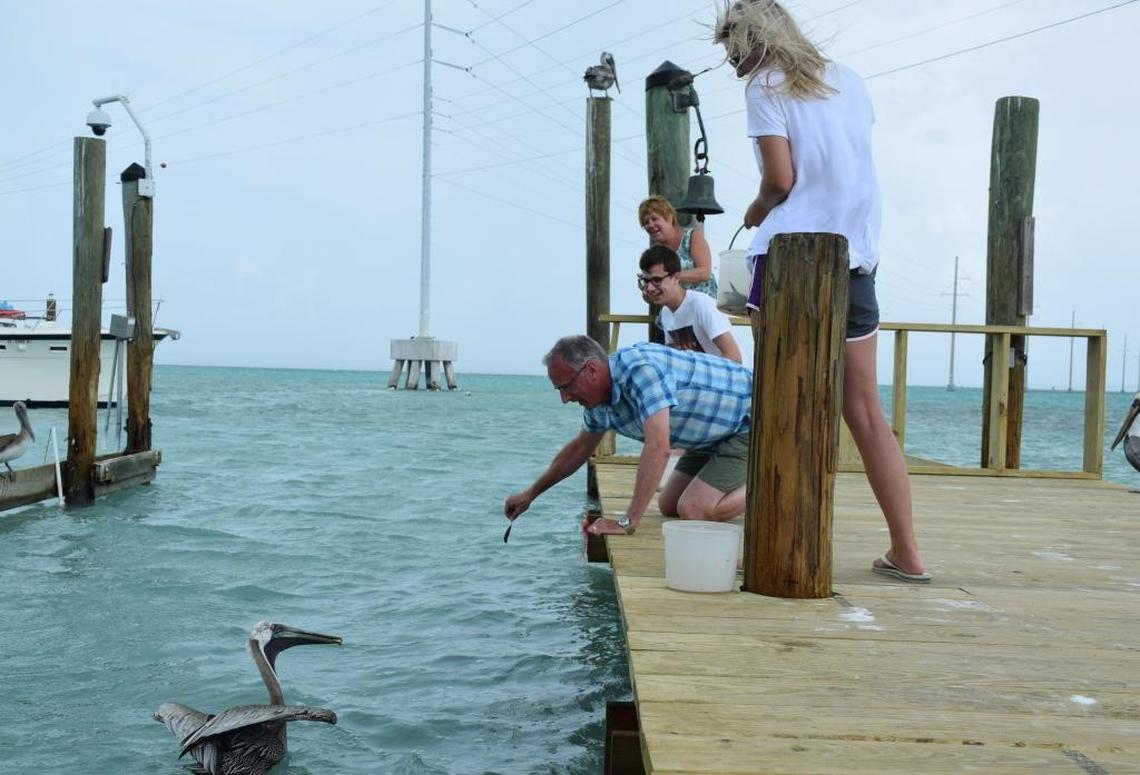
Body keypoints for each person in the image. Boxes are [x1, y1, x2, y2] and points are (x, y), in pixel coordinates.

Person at [715, 0, 929, 582]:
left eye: (733, 48)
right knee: (864, 412)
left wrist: (756, 210)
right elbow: (846, 163)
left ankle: (771, 548)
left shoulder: (765, 85)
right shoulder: (850, 81)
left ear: (755, 40)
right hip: (854, 256)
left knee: (781, 403)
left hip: (789, 260)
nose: (732, 63)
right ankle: (907, 552)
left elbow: (781, 180)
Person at [503, 335, 752, 536]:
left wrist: (627, 521)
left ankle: (762, 484)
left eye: (567, 387)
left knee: (694, 509)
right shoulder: (598, 404)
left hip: (750, 419)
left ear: (591, 369)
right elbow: (579, 450)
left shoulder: (640, 370)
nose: (565, 399)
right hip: (710, 437)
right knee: (669, 505)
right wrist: (530, 494)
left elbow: (658, 448)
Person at [639, 244, 742, 363]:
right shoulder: (666, 313)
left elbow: (735, 358)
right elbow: (674, 360)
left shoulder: (701, 304)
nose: (650, 288)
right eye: (646, 281)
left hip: (731, 378)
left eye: (657, 280)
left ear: (676, 277)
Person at [638, 196, 718, 299]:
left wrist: (667, 278)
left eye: (654, 219)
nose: (650, 225)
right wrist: (648, 287)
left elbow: (704, 273)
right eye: (646, 222)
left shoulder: (692, 237)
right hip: (676, 308)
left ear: (670, 217)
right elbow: (654, 295)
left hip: (703, 304)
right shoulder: (656, 252)